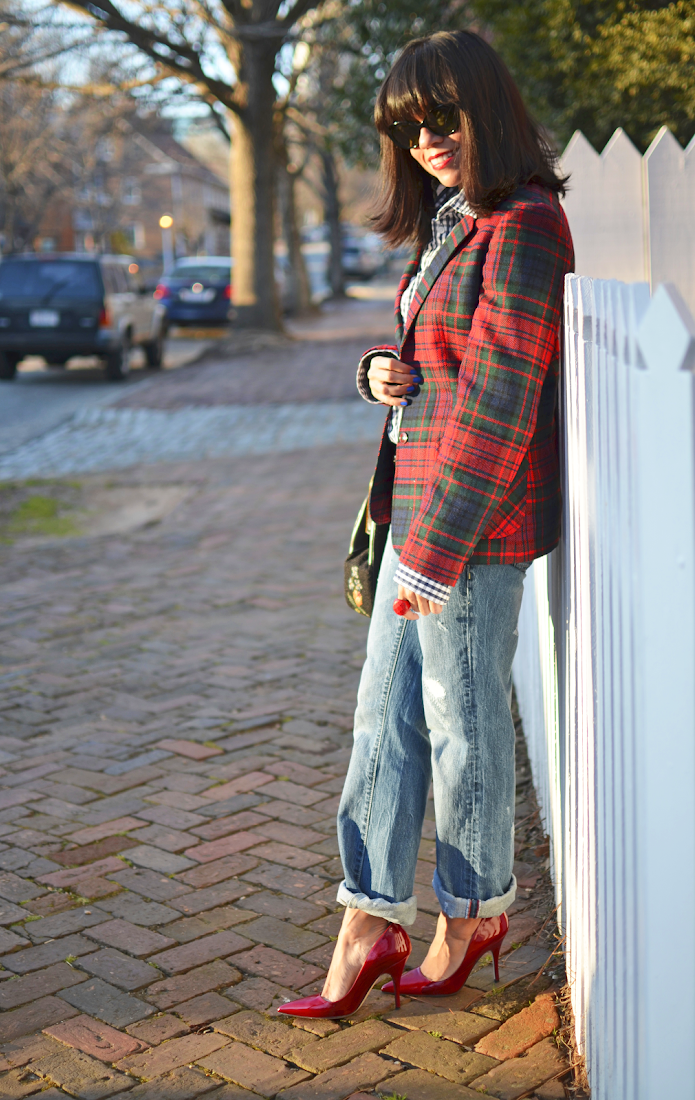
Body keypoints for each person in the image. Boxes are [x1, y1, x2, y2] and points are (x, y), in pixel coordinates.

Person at [278, 29, 574, 1020]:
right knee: (382, 724)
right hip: (420, 508)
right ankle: (367, 918)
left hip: (472, 528)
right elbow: (434, 355)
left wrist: (434, 559)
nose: (426, 139)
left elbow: (500, 403)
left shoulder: (527, 224)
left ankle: (473, 913)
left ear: (486, 106)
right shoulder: (459, 217)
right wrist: (381, 371)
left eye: (441, 116)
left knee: (462, 726)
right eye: (406, 127)